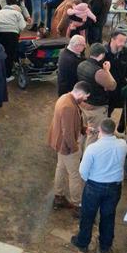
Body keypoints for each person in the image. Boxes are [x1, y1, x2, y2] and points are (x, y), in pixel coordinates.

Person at [71, 119, 127, 253]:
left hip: (94, 186)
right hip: (114, 187)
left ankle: (83, 242)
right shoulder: (122, 145)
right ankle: (105, 246)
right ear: (113, 130)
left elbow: (83, 171)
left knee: (88, 215)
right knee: (108, 216)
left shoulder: (93, 148)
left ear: (100, 131)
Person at [48, 82, 90, 212]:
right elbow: (67, 132)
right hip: (67, 146)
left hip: (60, 143)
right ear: (79, 93)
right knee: (75, 175)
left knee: (60, 168)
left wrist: (84, 129)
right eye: (85, 96)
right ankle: (77, 204)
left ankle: (59, 196)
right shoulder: (69, 107)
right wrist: (74, 148)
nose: (85, 99)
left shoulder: (65, 98)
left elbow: (69, 124)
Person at [76, 43, 117, 141]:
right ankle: (89, 155)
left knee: (84, 131)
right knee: (93, 135)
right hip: (96, 107)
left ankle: (80, 154)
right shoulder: (98, 72)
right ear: (101, 55)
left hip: (83, 103)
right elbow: (113, 85)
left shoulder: (81, 64)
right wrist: (107, 70)